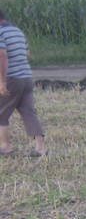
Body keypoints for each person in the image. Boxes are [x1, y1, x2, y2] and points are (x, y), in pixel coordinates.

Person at [0, 9, 46, 157]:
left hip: (12, 78)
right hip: (26, 77)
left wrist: (2, 81)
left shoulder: (0, 33)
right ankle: (41, 148)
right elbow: (27, 54)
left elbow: (2, 56)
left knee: (1, 113)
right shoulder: (17, 31)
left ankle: (6, 147)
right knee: (29, 112)